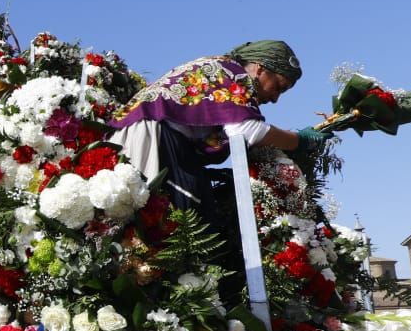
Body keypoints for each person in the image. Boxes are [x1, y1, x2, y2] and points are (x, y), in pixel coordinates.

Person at [109, 40, 329, 215]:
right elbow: (245, 131)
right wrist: (299, 140)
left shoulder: (224, 69)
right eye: (278, 87)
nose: (275, 98)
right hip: (153, 142)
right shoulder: (233, 75)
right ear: (261, 70)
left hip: (162, 141)